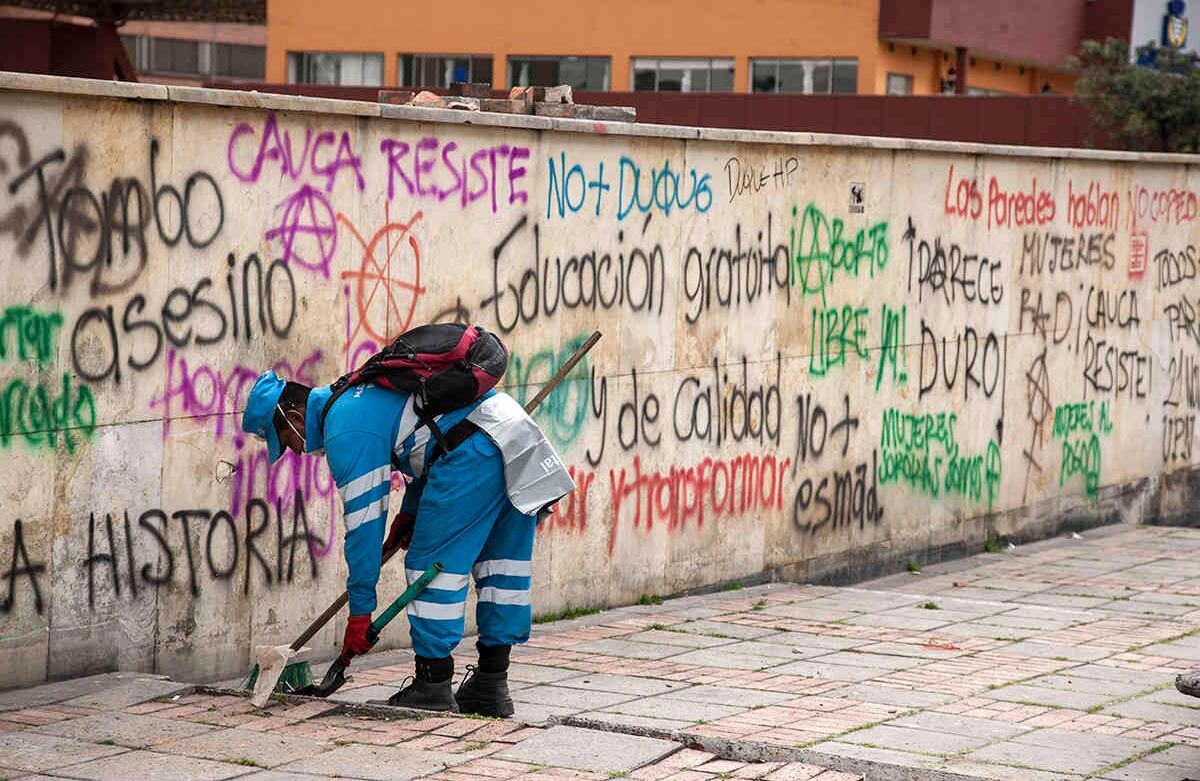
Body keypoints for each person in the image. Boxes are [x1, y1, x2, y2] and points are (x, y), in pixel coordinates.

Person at [240, 368, 572, 715]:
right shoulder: (357, 395)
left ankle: (433, 683)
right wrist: (410, 512)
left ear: (294, 417)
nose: (295, 452)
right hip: (512, 437)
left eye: (287, 442)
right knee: (501, 564)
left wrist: (360, 613)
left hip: (473, 453)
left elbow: (364, 526)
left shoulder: (344, 427)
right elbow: (432, 440)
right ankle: (491, 683)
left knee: (430, 566)